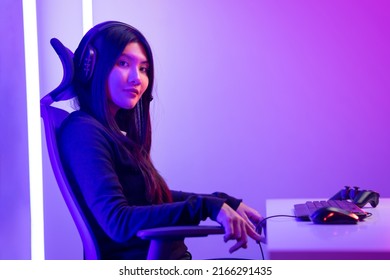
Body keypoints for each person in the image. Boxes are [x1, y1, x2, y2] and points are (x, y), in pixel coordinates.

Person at [58, 21, 263, 260]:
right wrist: (206, 207)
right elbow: (118, 221)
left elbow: (152, 197)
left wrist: (220, 202)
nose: (137, 78)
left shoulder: (109, 133)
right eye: (123, 63)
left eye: (144, 69)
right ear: (91, 68)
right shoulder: (83, 132)